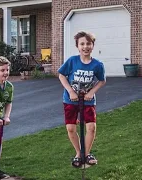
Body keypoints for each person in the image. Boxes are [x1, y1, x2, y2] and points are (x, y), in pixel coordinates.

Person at [58, 31, 106, 168]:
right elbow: (61, 75)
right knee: (71, 128)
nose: (85, 46)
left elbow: (102, 81)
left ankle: (87, 154)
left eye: (88, 43)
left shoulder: (97, 65)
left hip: (88, 101)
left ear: (93, 45)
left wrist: (91, 92)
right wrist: (70, 91)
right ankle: (78, 153)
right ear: (77, 46)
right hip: (70, 100)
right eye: (82, 44)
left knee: (91, 127)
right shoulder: (72, 61)